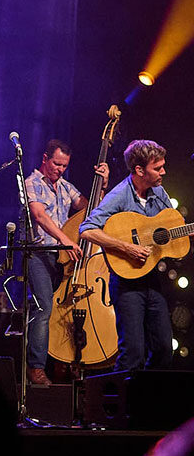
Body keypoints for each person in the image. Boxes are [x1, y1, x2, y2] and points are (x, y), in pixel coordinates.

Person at [79, 138, 173, 371]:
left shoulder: (159, 193)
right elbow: (87, 230)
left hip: (153, 280)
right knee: (133, 353)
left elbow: (172, 227)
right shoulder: (120, 195)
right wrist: (127, 248)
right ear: (139, 170)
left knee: (163, 348)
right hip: (127, 284)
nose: (163, 171)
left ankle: (148, 399)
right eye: (157, 168)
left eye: (162, 166)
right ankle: (119, 405)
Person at [25, 139, 109, 385]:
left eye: (64, 166)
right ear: (45, 158)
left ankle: (68, 361)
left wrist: (102, 184)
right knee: (43, 309)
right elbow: (39, 216)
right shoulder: (32, 182)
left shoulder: (65, 186)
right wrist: (65, 240)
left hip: (63, 257)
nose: (60, 169)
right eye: (56, 163)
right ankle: (36, 367)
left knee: (67, 309)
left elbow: (92, 209)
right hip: (40, 254)